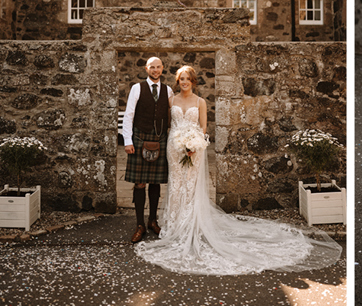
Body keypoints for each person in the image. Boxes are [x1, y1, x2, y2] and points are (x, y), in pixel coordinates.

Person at [134, 65, 342, 275]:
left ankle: (191, 225)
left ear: (193, 81)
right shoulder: (171, 100)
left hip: (193, 149)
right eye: (181, 79)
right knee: (176, 184)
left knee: (191, 185)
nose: (185, 82)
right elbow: (168, 124)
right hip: (174, 147)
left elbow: (203, 128)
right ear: (177, 82)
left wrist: (194, 144)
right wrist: (176, 142)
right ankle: (174, 225)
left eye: (188, 79)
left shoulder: (200, 102)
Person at [122, 56, 173, 243]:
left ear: (162, 68)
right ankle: (139, 224)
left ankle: (153, 221)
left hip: (160, 139)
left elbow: (174, 114)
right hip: (139, 138)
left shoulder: (168, 91)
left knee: (155, 182)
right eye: (152, 67)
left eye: (159, 67)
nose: (156, 70)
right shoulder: (137, 88)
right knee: (140, 183)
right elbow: (129, 115)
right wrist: (127, 140)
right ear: (146, 68)